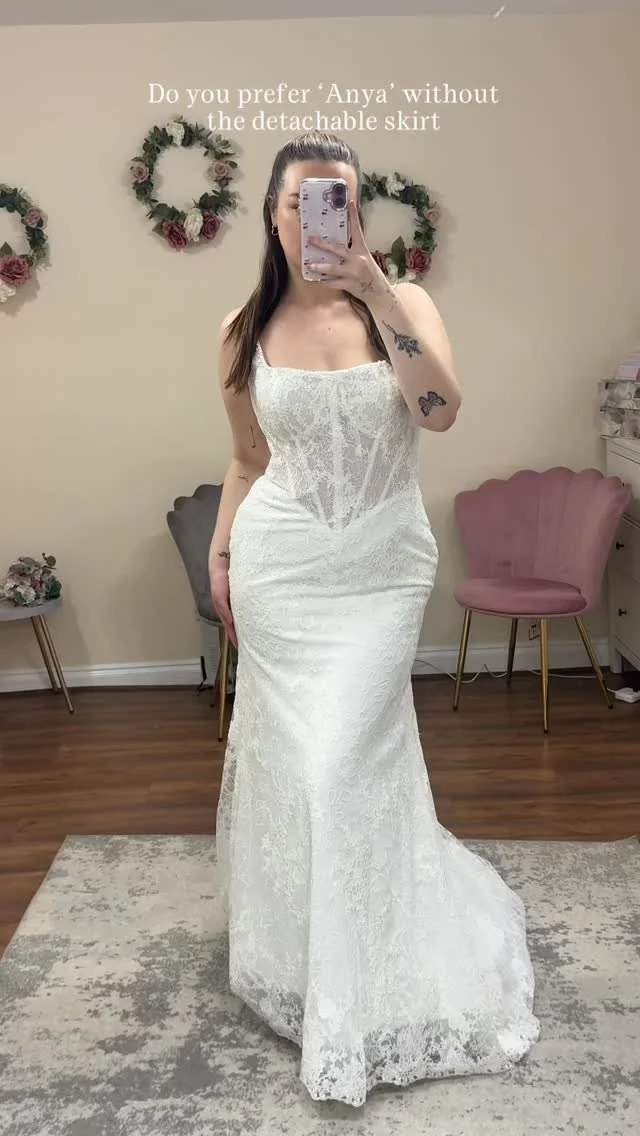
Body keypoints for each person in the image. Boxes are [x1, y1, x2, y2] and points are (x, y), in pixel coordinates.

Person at [210, 131, 540, 1108]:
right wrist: (223, 555)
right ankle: (307, 955)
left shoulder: (407, 304)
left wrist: (378, 292)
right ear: (273, 215)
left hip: (381, 571)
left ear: (357, 213)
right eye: (304, 202)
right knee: (297, 765)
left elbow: (437, 410)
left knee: (344, 761)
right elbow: (247, 456)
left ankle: (366, 975)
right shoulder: (241, 328)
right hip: (280, 568)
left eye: (342, 202)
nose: (325, 218)